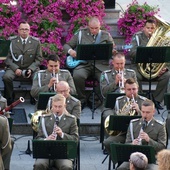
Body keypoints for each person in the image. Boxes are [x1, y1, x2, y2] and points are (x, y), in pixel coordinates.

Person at [63, 16, 115, 107]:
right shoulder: (80, 34)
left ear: (100, 26)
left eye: (96, 28)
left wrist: (113, 52)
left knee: (106, 78)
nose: (94, 30)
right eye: (92, 28)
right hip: (84, 64)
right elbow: (66, 45)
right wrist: (71, 51)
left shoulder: (106, 35)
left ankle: (95, 99)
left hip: (100, 65)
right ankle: (82, 99)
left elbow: (114, 49)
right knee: (77, 76)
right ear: (88, 26)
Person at [129, 19, 170, 110]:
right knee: (135, 76)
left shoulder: (161, 39)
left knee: (167, 75)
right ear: (144, 28)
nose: (150, 30)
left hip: (154, 70)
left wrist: (164, 68)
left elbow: (166, 56)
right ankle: (140, 100)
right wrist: (145, 50)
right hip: (139, 68)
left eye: (152, 28)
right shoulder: (137, 37)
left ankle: (156, 100)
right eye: (148, 28)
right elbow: (131, 52)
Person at [33, 94, 79, 170]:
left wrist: (62, 134)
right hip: (46, 153)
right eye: (55, 106)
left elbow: (75, 139)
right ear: (52, 105)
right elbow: (38, 138)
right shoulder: (44, 119)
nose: (57, 109)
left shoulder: (71, 120)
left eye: (60, 106)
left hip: (64, 154)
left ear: (65, 105)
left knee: (66, 167)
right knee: (39, 164)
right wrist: (46, 140)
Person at [118, 99, 166, 170]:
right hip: (135, 158)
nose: (144, 115)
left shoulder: (160, 126)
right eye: (143, 112)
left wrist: (149, 140)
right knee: (121, 168)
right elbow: (127, 143)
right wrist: (132, 144)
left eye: (148, 112)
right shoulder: (133, 124)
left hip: (151, 160)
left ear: (153, 112)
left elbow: (162, 147)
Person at [3, 21, 43, 105]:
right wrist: (15, 68)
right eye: (22, 29)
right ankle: (10, 96)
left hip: (30, 67)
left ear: (29, 31)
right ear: (18, 30)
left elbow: (39, 59)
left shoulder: (35, 42)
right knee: (6, 77)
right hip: (14, 67)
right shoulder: (11, 41)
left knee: (37, 76)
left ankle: (33, 95)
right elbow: (7, 59)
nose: (24, 31)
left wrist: (31, 69)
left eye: (26, 29)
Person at [103, 78, 148, 154]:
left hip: (139, 133)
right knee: (107, 142)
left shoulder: (144, 101)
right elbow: (117, 118)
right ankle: (120, 159)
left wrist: (139, 111)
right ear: (124, 90)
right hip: (123, 133)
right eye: (129, 89)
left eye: (134, 89)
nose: (132, 92)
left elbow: (148, 120)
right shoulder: (119, 100)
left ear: (138, 89)